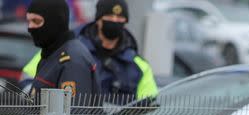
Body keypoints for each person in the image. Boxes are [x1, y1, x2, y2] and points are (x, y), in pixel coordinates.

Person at [21, 0, 158, 103]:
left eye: (119, 19)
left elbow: (149, 102)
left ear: (125, 22)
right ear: (98, 19)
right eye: (109, 17)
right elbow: (30, 78)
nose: (114, 21)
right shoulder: (66, 49)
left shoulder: (137, 65)